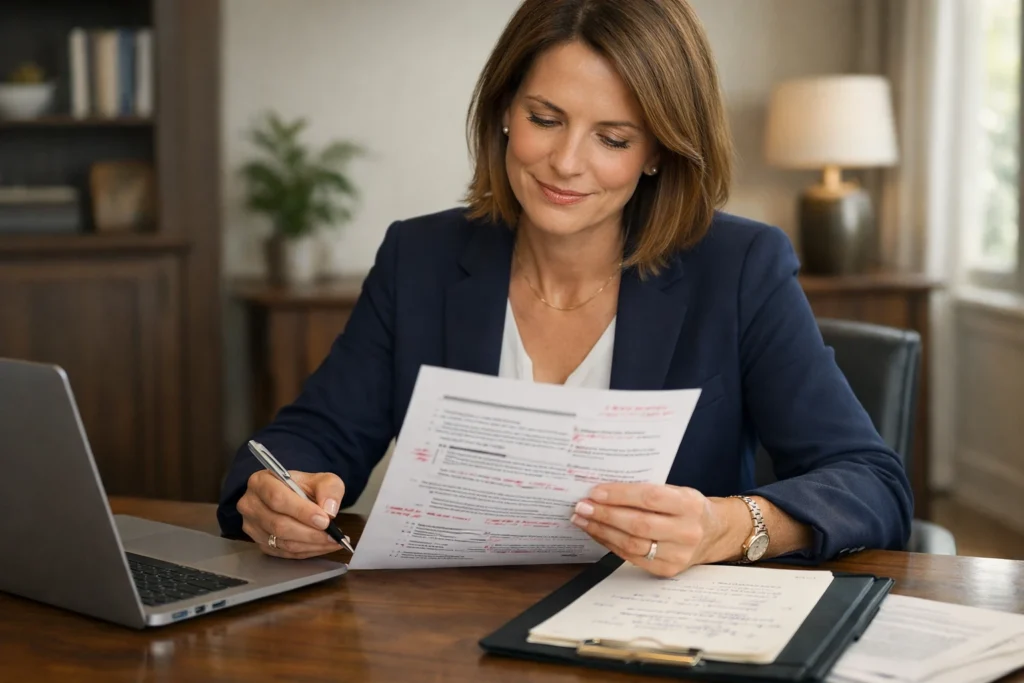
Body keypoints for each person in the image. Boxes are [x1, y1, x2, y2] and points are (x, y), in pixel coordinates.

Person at [217, 0, 913, 577]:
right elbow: (306, 440)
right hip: (449, 635)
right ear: (503, 111)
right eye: (544, 119)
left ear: (657, 153)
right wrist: (276, 494)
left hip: (656, 643)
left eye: (613, 138)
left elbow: (870, 481)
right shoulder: (420, 257)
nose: (566, 162)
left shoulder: (740, 267)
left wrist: (731, 524)